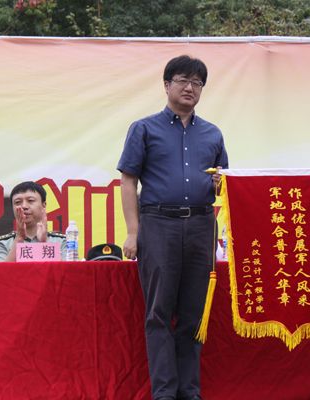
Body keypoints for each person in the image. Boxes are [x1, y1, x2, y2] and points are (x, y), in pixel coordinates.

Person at [117, 55, 228, 400]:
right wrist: (133, 231)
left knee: (195, 313)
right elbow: (128, 180)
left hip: (201, 225)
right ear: (167, 85)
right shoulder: (144, 129)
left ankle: (189, 391)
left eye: (197, 83)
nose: (190, 87)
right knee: (159, 312)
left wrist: (221, 185)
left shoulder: (212, 133)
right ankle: (164, 392)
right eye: (182, 80)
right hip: (158, 224)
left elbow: (222, 182)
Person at [0, 181, 66, 261]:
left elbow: (66, 269)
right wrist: (19, 238)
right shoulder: (1, 243)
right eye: (18, 202)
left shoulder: (62, 241)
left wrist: (44, 243)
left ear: (43, 205)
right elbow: (1, 269)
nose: (24, 206)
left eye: (30, 200)